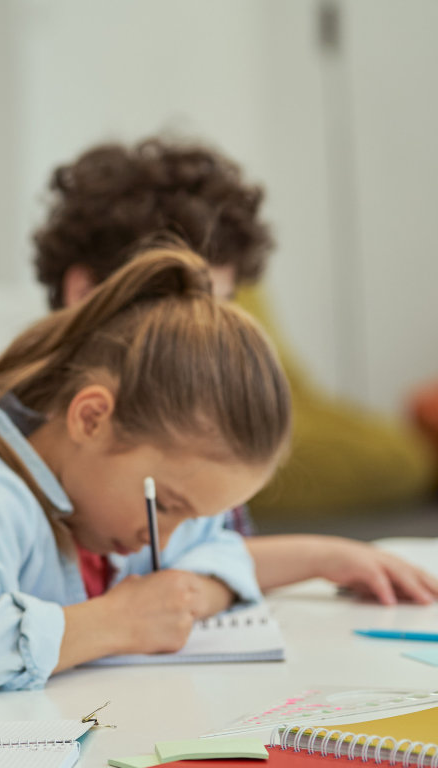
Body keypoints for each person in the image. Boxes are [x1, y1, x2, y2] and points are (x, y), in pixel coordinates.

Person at [0, 244, 289, 699]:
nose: (163, 540)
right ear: (91, 419)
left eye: (189, 516)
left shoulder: (105, 497)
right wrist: (121, 620)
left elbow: (221, 548)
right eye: (168, 507)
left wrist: (186, 598)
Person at [33, 137, 438, 605]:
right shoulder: (15, 457)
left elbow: (212, 552)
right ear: (84, 291)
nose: (210, 338)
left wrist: (325, 557)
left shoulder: (194, 417)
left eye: (220, 307)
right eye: (179, 304)